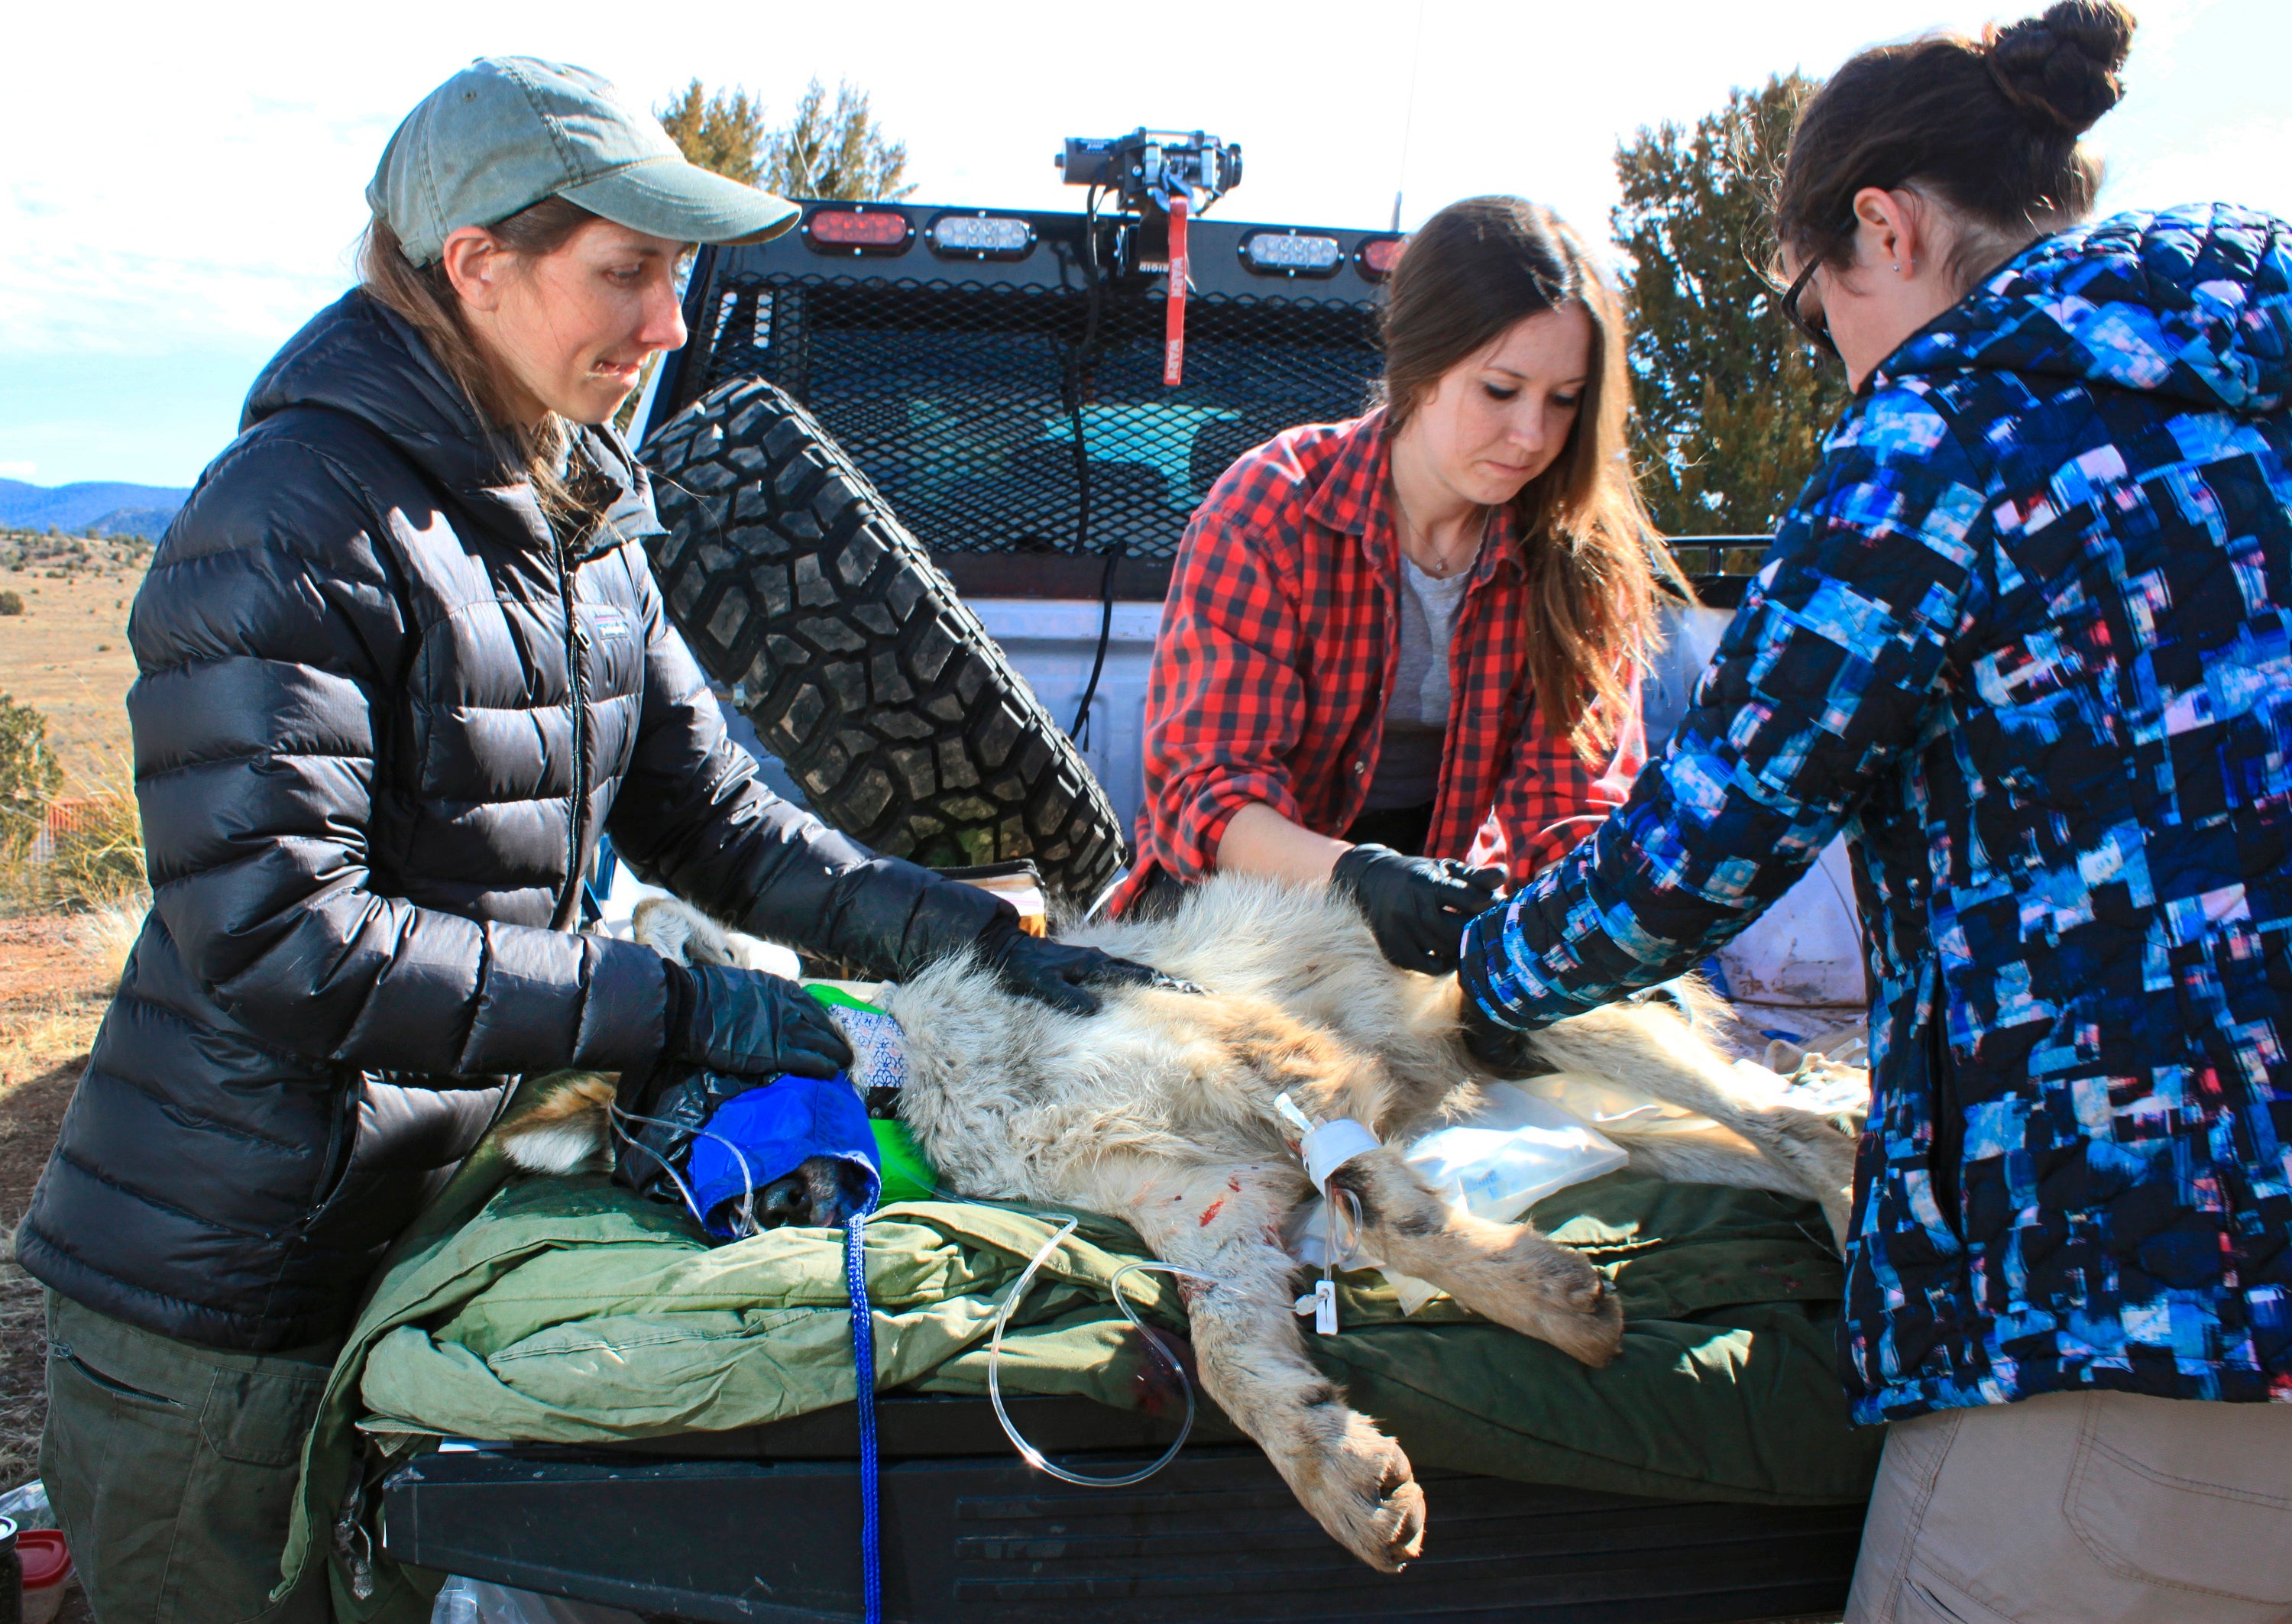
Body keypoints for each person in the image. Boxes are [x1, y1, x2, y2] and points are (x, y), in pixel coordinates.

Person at [13, 57, 1161, 1622]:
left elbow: (720, 821)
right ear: (478, 264)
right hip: (238, 1293)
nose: (670, 324)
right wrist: (677, 1005)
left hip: (438, 1234)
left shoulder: (577, 518)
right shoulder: (293, 520)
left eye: (676, 276)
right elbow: (291, 942)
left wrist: (957, 934)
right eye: (626, 273)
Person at [1454, 4, 2292, 1619]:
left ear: (1885, 230)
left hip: (2134, 1312)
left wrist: (1484, 962)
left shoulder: (1948, 428)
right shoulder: (2247, 386)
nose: (1830, 354)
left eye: (1804, 308)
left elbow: (1703, 843)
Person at [1109, 197, 1669, 975]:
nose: (1532, 435)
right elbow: (1210, 795)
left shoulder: (1579, 555)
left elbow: (1570, 811)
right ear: (1420, 364)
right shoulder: (1270, 511)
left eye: (1564, 400)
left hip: (1444, 919)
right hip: (1239, 913)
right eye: (1501, 390)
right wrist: (1359, 879)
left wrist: (1560, 936)